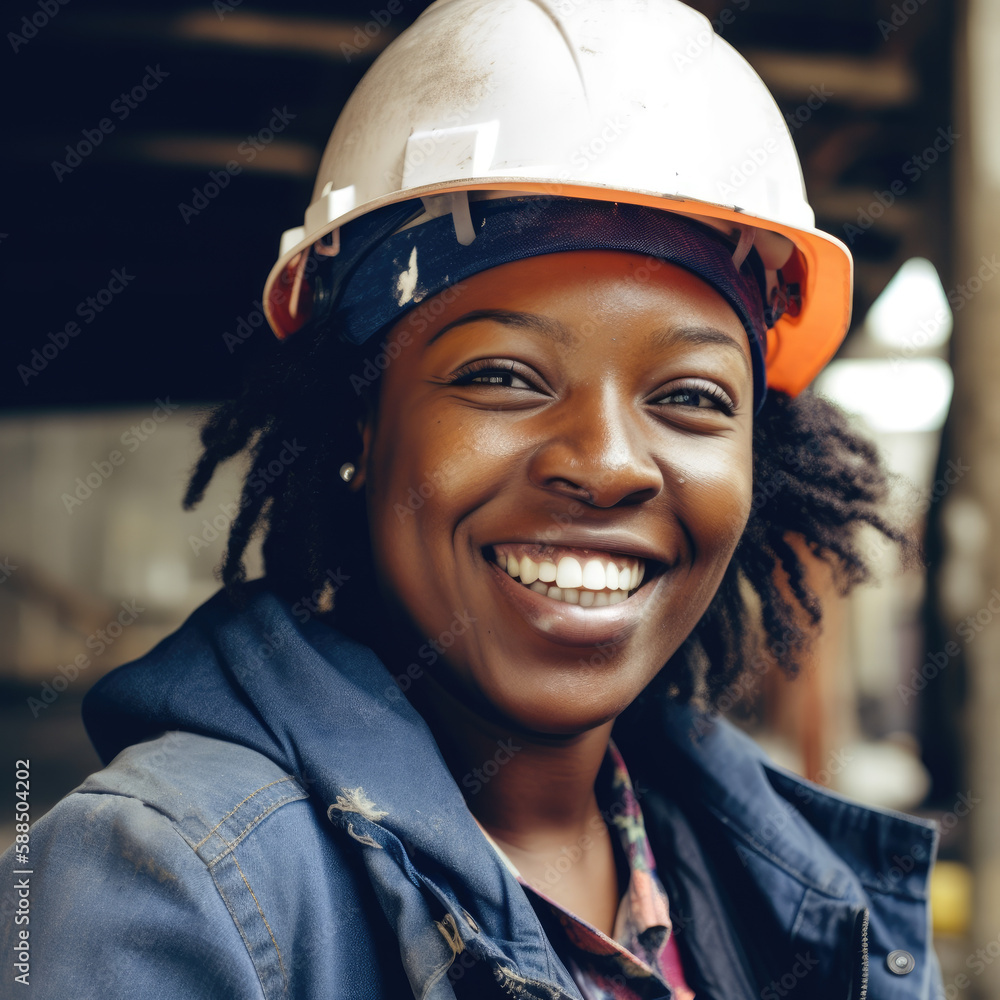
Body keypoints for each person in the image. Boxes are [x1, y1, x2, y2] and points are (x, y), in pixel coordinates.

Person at [2, 1, 942, 997]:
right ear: (355, 423)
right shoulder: (163, 884)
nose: (611, 463)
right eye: (502, 375)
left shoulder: (820, 896)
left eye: (690, 396)